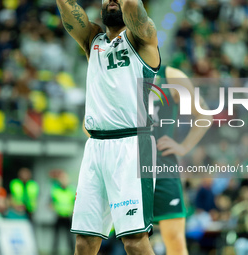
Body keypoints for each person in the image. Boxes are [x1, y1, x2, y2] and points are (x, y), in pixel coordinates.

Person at [55, 0, 160, 254]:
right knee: (84, 240)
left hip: (132, 145)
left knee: (134, 241)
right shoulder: (93, 39)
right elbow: (69, 11)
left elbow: (133, 6)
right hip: (96, 147)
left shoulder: (143, 38)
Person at [153, 65, 212, 255]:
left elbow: (204, 114)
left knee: (175, 241)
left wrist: (184, 147)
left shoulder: (170, 76)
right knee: (132, 241)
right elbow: (89, 125)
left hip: (162, 168)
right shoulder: (116, 70)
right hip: (127, 167)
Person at [50, 170, 76, 255]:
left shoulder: (72, 190)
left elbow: (75, 203)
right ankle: (54, 252)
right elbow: (50, 203)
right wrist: (55, 209)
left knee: (70, 238)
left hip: (68, 217)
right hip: (59, 216)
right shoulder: (55, 190)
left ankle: (72, 252)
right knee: (56, 238)